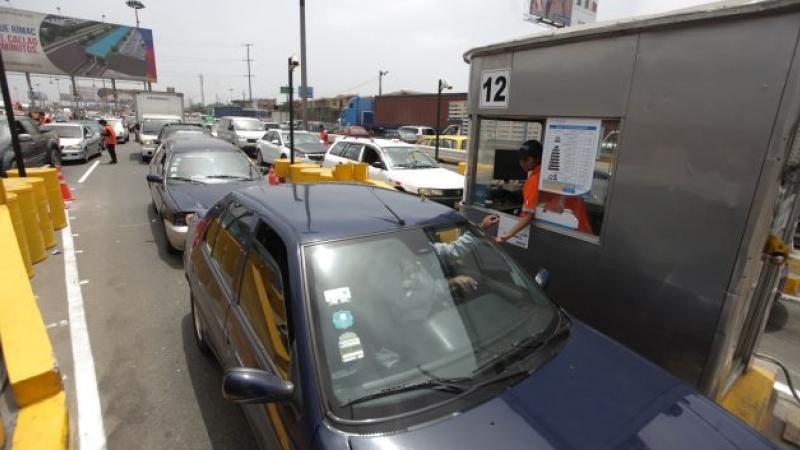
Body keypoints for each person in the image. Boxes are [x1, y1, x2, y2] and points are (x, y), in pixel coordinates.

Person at [496, 140, 543, 243]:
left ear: (538, 159)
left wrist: (506, 235)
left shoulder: (535, 180)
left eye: (525, 159)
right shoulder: (543, 174)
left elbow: (528, 216)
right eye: (520, 159)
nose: (521, 163)